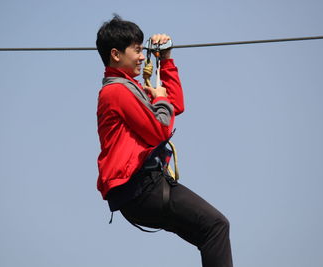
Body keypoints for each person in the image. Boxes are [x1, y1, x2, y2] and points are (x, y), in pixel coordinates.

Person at [96, 15, 233, 267]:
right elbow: (160, 129)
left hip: (140, 193)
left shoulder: (130, 89)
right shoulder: (116, 91)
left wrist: (166, 61)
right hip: (142, 189)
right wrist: (159, 100)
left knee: (209, 233)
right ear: (116, 54)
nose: (140, 56)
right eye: (136, 50)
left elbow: (175, 106)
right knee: (216, 225)